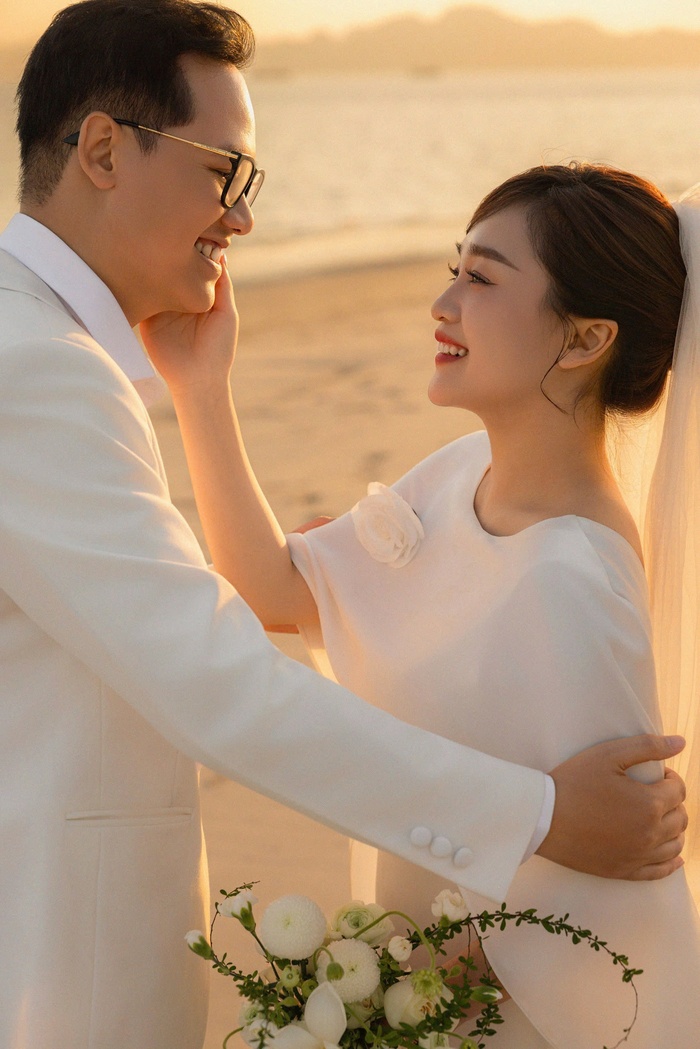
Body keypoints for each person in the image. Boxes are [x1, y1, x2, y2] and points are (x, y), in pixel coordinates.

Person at [0, 1, 686, 1046]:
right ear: (102, 151)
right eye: (224, 173)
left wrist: (200, 390)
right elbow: (220, 673)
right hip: (52, 979)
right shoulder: (38, 367)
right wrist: (534, 814)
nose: (242, 219)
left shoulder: (42, 351)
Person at [146, 161, 700, 1047]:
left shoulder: (575, 575)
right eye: (453, 269)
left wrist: (403, 997)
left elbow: (609, 884)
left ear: (585, 338)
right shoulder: (458, 476)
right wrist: (200, 383)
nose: (443, 304)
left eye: (482, 279)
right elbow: (274, 589)